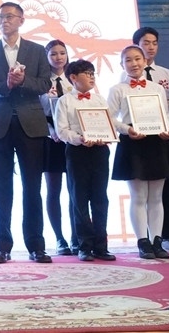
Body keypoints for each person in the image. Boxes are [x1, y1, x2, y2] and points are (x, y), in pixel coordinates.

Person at [0, 2, 52, 265]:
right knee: (1, 188)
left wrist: (23, 81)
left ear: (21, 20)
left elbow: (45, 83)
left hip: (31, 124)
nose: (4, 21)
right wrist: (6, 85)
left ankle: (36, 246)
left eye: (9, 16)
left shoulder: (37, 50)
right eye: (0, 17)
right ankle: (2, 246)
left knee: (32, 187)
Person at [107, 45, 169, 260]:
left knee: (156, 197)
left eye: (137, 59)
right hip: (132, 143)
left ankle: (157, 241)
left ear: (145, 61)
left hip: (157, 142)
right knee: (138, 196)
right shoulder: (117, 89)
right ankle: (143, 242)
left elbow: (165, 115)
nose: (134, 63)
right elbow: (110, 118)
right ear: (122, 64)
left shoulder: (157, 88)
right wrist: (126, 129)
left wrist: (167, 129)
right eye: (128, 60)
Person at [131, 27, 169, 253]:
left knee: (167, 190)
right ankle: (144, 238)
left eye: (154, 42)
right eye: (146, 42)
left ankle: (168, 236)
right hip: (138, 139)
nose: (151, 47)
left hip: (163, 137)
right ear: (136, 45)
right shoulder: (126, 77)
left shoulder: (166, 74)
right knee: (141, 192)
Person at [54, 59, 115, 262]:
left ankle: (101, 246)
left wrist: (107, 135)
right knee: (79, 199)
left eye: (92, 73)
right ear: (73, 77)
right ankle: (84, 246)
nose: (91, 77)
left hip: (100, 151)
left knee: (100, 198)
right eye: (87, 73)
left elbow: (109, 124)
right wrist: (79, 139)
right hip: (77, 152)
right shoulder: (64, 101)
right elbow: (62, 131)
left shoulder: (99, 99)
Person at [39, 39, 77, 256]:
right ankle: (60, 239)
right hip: (51, 139)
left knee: (75, 191)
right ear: (46, 57)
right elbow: (36, 111)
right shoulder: (41, 81)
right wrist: (51, 130)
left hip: (73, 140)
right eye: (53, 54)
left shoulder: (74, 78)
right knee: (53, 190)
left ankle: (76, 237)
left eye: (62, 53)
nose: (58, 57)